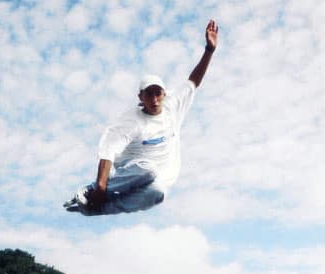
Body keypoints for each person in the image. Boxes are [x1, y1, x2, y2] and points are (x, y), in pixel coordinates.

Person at [65, 20, 219, 215]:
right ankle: (92, 191)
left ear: (164, 94)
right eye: (149, 95)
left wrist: (209, 50)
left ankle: (98, 208)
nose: (154, 99)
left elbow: (194, 81)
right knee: (149, 170)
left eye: (158, 94)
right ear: (140, 97)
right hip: (133, 170)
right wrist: (101, 186)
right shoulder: (131, 121)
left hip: (156, 179)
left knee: (158, 192)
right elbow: (108, 151)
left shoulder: (172, 107)